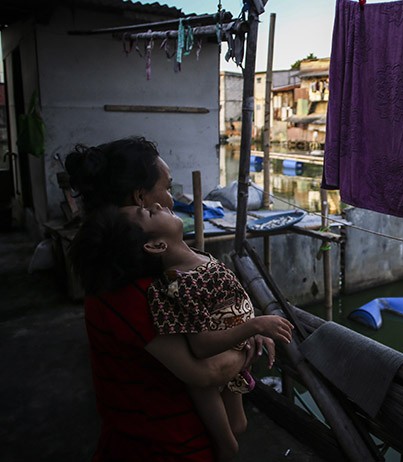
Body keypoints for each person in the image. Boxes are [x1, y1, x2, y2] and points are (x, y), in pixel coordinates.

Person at [65, 137, 291, 461]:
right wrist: (248, 340)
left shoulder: (134, 269)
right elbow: (208, 371)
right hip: (165, 447)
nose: (170, 200)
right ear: (141, 198)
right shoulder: (138, 290)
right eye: (168, 188)